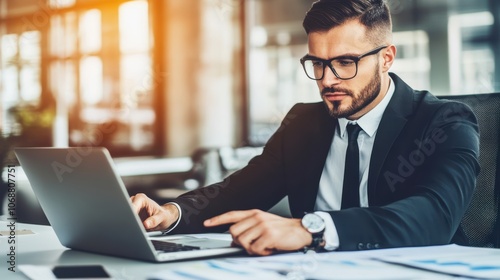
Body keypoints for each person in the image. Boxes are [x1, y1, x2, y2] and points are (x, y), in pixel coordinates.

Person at [131, 0, 480, 255]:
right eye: (317, 63)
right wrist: (170, 214)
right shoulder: (303, 122)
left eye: (345, 62)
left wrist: (311, 229)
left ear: (386, 58)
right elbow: (237, 192)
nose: (327, 80)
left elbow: (433, 216)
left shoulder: (445, 121)